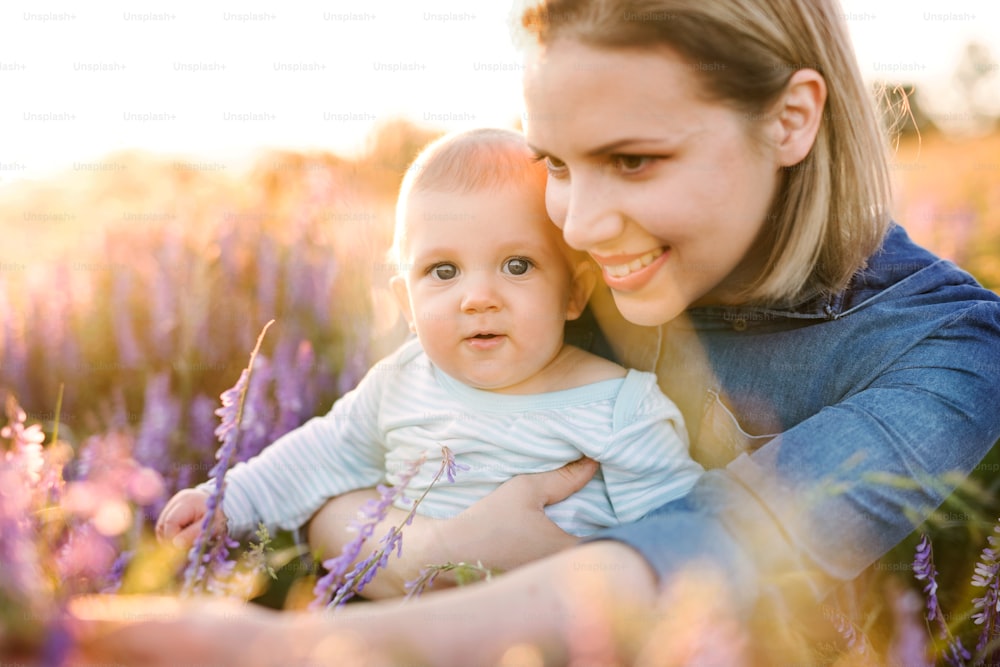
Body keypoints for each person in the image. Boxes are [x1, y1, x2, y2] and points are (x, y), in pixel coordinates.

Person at [71, 0, 1000, 664]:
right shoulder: (562, 272)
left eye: (632, 160)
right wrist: (420, 552)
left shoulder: (950, 351)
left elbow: (718, 547)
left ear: (792, 119)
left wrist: (301, 643)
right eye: (555, 161)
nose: (581, 223)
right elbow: (365, 440)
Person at [155, 128, 702, 554]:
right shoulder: (400, 383)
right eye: (443, 271)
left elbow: (679, 546)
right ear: (406, 304)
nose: (477, 298)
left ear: (573, 294)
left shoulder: (620, 410)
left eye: (517, 265)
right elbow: (322, 453)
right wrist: (227, 501)